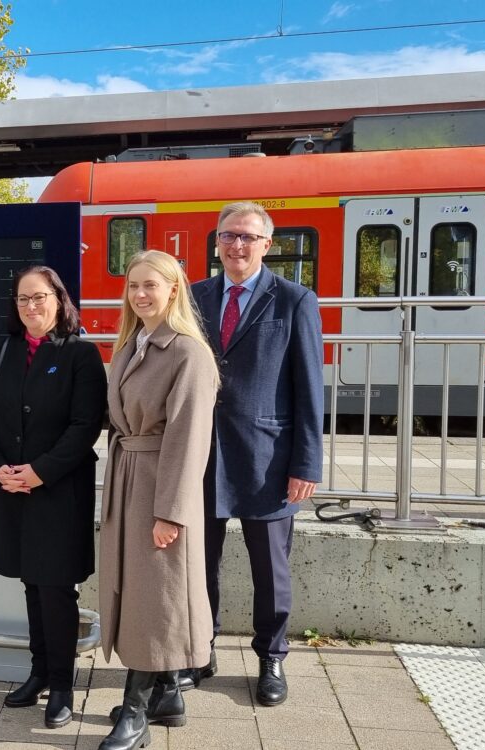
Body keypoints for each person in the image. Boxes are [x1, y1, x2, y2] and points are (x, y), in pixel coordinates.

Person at [186, 201, 324, 707]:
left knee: (271, 569)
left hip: (268, 459)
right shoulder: (195, 296)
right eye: (227, 236)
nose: (236, 246)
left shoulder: (293, 300)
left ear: (268, 244)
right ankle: (200, 648)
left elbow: (310, 389)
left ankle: (271, 657)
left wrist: (306, 463)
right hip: (201, 455)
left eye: (246, 237)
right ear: (217, 243)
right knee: (200, 563)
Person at [0, 266, 106, 731]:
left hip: (58, 490)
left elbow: (86, 426)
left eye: (40, 297)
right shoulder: (1, 351)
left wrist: (39, 471)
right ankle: (39, 672)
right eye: (23, 298)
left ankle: (63, 683)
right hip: (10, 488)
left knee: (55, 586)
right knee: (30, 582)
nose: (31, 306)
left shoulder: (81, 355)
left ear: (58, 300)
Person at [98, 250, 218, 750]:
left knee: (155, 597)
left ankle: (136, 711)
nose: (140, 294)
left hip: (158, 486)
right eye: (133, 286)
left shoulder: (188, 352)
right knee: (141, 589)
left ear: (174, 289)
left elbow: (190, 440)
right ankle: (168, 694)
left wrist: (170, 511)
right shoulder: (132, 344)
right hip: (129, 478)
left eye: (151, 285)